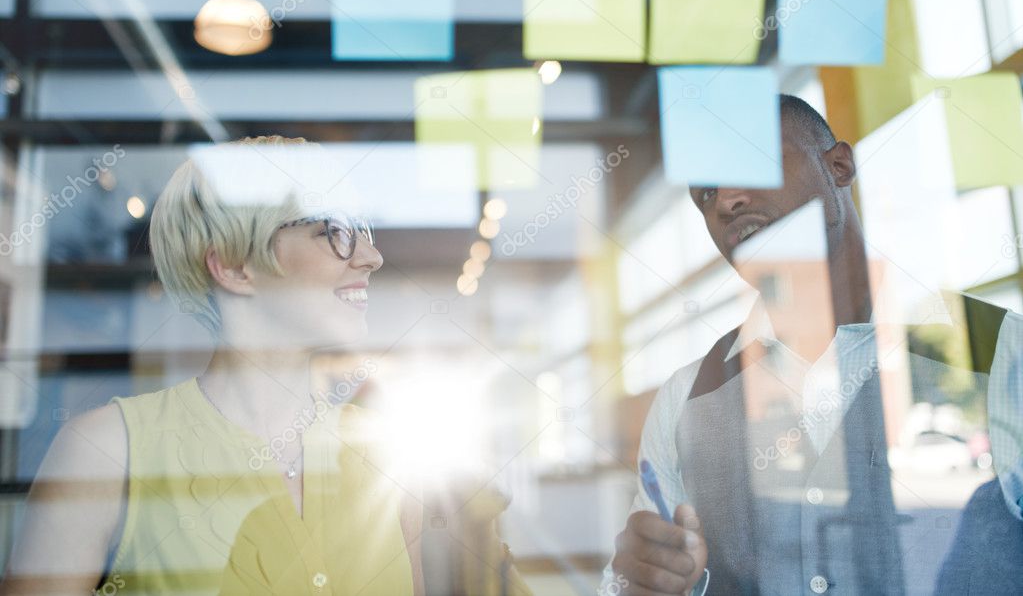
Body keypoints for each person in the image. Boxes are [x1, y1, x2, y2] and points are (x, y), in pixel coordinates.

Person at [0, 135, 530, 595]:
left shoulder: (386, 456)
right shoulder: (106, 451)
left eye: (364, 229)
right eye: (335, 230)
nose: (371, 257)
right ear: (234, 265)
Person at [605, 96, 1023, 595]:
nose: (724, 200)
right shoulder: (684, 398)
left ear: (838, 167)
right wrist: (637, 586)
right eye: (705, 193)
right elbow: (637, 582)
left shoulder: (1003, 352)